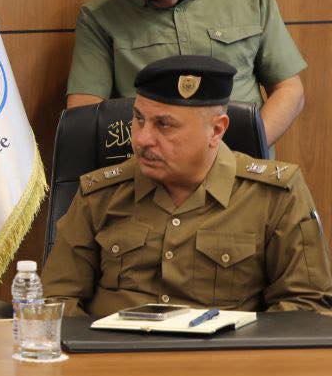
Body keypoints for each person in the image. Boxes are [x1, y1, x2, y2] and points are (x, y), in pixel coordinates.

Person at [43, 55, 332, 318]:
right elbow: (55, 300)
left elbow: (306, 306)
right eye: (139, 119)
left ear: (216, 130)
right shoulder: (101, 193)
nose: (142, 139)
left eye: (164, 125)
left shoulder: (275, 195)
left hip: (225, 356)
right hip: (113, 354)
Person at [66, 0, 306, 144]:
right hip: (148, 162)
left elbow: (289, 89)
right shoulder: (100, 16)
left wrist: (247, 149)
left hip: (242, 161)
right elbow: (85, 114)